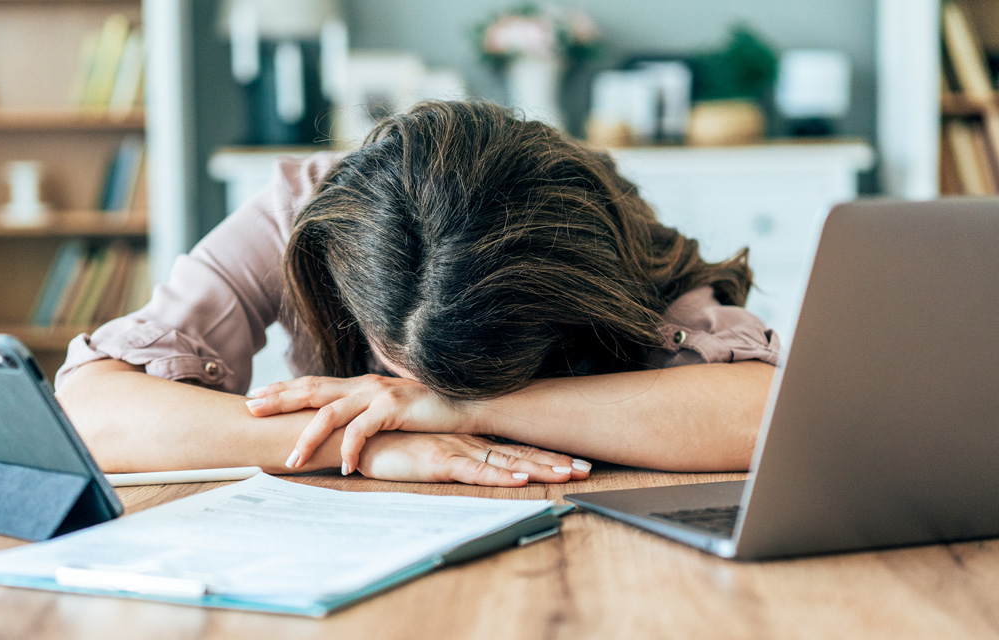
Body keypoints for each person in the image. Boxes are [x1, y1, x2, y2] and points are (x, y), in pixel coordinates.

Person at [55, 101, 779, 487]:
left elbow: (764, 413)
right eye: (398, 367)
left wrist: (463, 406)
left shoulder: (600, 243)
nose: (413, 391)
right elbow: (90, 412)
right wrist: (359, 446)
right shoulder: (311, 213)